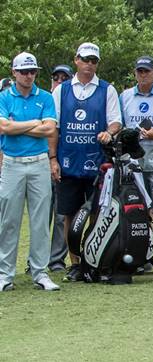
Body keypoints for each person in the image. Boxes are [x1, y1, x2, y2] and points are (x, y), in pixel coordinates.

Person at [49, 42, 122, 282]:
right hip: (68, 160)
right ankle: (75, 263)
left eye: (94, 61)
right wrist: (53, 159)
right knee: (69, 214)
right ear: (76, 60)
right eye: (85, 59)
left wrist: (109, 134)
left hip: (97, 162)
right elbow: (54, 127)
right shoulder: (62, 91)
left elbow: (115, 122)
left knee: (95, 212)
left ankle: (93, 258)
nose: (89, 64)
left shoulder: (106, 89)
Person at [0, 52, 60, 291]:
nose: (28, 76)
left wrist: (18, 127)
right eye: (24, 71)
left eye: (32, 71)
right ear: (14, 72)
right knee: (9, 221)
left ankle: (40, 272)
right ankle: (5, 274)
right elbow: (3, 127)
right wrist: (34, 123)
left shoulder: (45, 97)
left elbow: (49, 129)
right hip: (12, 164)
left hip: (38, 163)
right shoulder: (4, 97)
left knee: (39, 221)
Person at [120, 56, 153, 262]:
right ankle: (139, 255)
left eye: (147, 72)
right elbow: (119, 124)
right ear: (135, 73)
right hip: (133, 160)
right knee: (136, 210)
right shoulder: (125, 96)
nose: (143, 75)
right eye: (140, 71)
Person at [46, 64, 74, 272]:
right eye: (56, 78)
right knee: (40, 217)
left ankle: (56, 260)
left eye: (65, 78)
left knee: (61, 215)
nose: (60, 81)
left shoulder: (70, 100)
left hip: (63, 163)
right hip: (39, 161)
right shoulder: (44, 100)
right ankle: (34, 262)